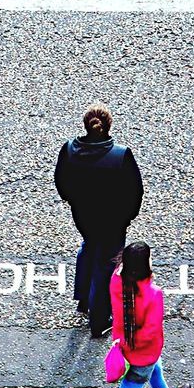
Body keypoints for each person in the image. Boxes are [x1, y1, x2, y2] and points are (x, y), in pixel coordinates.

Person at [92, 241, 192, 388]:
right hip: (142, 355)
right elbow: (151, 331)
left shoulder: (117, 279)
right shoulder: (152, 294)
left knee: (156, 368)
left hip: (125, 347)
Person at [54, 103, 143, 337]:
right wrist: (128, 216)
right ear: (108, 126)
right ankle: (99, 319)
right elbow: (135, 190)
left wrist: (73, 200)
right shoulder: (120, 155)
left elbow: (61, 182)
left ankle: (83, 299)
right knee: (106, 264)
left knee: (89, 246)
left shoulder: (70, 150)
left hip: (83, 216)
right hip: (114, 220)